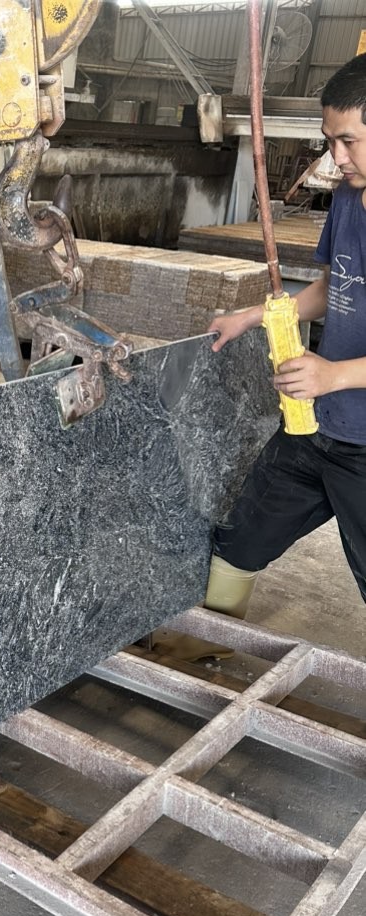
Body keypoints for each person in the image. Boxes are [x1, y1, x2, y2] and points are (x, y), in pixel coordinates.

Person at [157, 53, 366, 659]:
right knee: (240, 542)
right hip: (313, 428)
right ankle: (202, 655)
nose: (336, 158)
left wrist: (334, 374)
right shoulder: (348, 200)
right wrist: (255, 315)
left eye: (349, 141)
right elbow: (333, 287)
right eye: (330, 141)